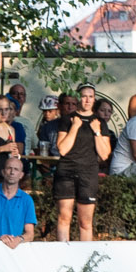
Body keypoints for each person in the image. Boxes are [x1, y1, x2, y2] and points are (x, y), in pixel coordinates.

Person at [49, 92, 111, 241]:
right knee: (64, 218)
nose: (87, 99)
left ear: (94, 99)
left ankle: (85, 261)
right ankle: (64, 257)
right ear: (79, 99)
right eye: (84, 96)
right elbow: (63, 149)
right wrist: (75, 127)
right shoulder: (67, 119)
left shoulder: (100, 122)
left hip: (88, 173)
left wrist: (96, 131)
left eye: (90, 96)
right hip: (66, 172)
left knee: (86, 222)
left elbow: (104, 154)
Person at [0, 154, 36, 248]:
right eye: (9, 168)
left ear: (21, 175)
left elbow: (30, 234)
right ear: (3, 172)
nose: (12, 172)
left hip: (14, 249)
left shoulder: (27, 200)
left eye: (16, 169)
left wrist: (19, 239)